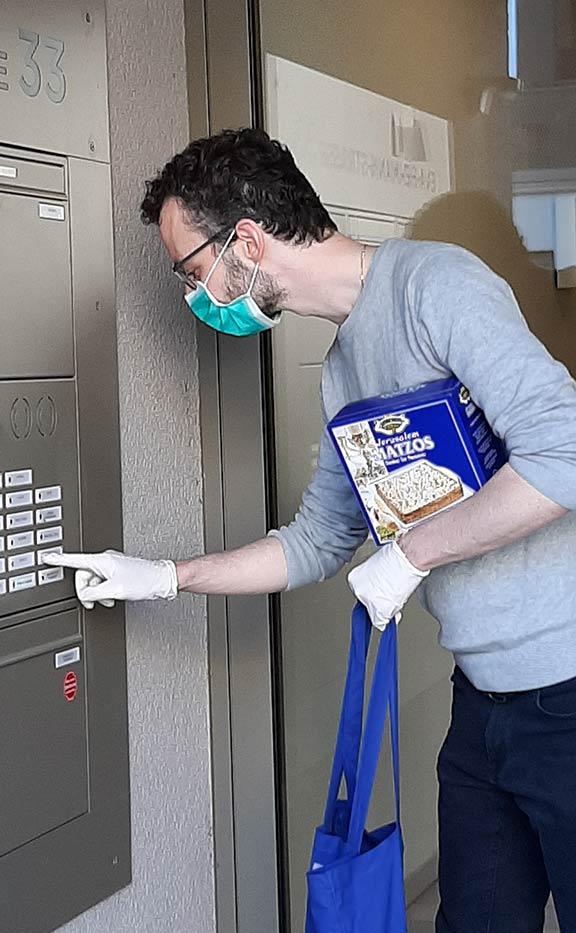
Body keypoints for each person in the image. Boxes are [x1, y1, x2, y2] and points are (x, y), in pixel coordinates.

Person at [44, 128, 576, 932]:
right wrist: (163, 574)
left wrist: (412, 551)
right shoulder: (342, 368)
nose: (197, 297)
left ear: (247, 240)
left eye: (194, 272)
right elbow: (317, 540)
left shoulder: (435, 286)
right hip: (484, 709)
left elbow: (563, 451)